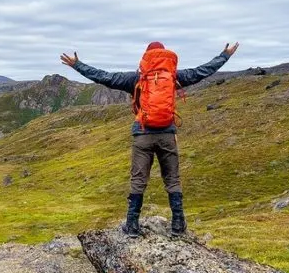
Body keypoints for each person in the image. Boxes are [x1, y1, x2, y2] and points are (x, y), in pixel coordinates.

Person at [60, 41, 239, 236]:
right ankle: (178, 225)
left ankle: (132, 225)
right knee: (172, 179)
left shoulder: (137, 78)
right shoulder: (173, 76)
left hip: (142, 134)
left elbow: (104, 77)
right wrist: (225, 55)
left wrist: (77, 65)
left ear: (147, 57)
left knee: (138, 179)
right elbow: (203, 71)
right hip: (167, 134)